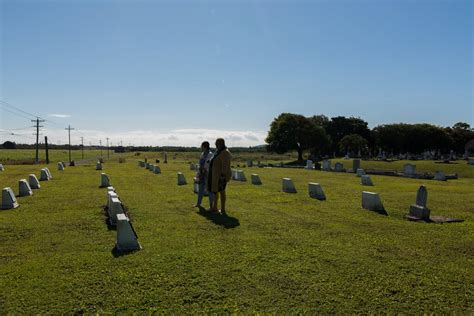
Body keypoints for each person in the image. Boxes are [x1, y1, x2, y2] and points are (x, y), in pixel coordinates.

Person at [208, 138, 232, 214]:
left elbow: (225, 165)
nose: (215, 144)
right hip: (215, 175)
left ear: (220, 143)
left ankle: (222, 209)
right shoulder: (219, 151)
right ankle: (214, 207)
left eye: (216, 143)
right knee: (215, 191)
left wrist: (222, 175)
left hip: (221, 176)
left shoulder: (225, 152)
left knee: (221, 192)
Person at [194, 141, 213, 208]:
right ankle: (198, 203)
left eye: (201, 146)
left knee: (209, 190)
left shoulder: (210, 154)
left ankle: (211, 206)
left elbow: (208, 165)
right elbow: (200, 163)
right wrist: (199, 173)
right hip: (201, 173)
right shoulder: (202, 154)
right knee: (200, 189)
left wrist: (204, 170)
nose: (201, 147)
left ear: (204, 146)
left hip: (207, 174)